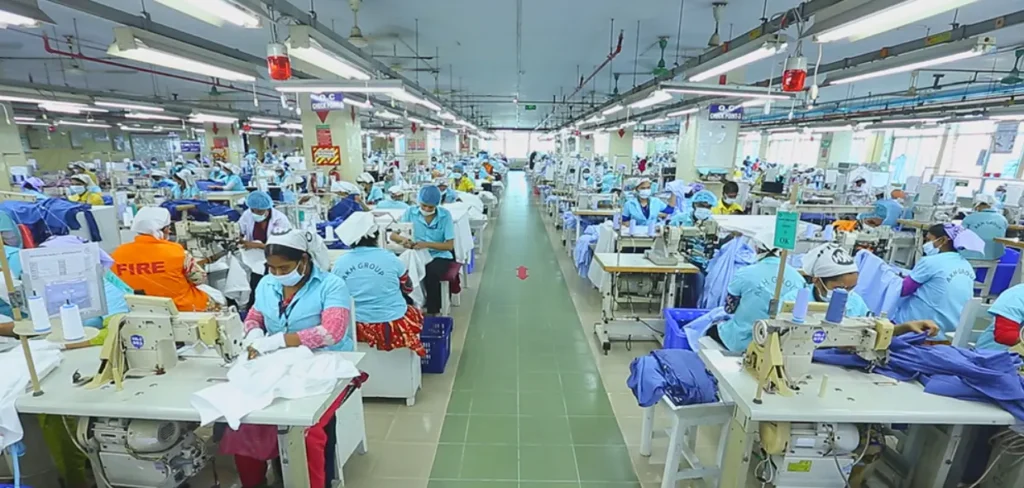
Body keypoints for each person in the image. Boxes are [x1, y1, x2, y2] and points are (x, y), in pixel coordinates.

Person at [234, 229, 353, 488]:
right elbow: (255, 314)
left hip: (325, 365)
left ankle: (315, 481)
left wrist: (278, 340)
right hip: (279, 364)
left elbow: (332, 333)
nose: (277, 274)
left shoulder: (331, 285)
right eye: (271, 268)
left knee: (307, 429)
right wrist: (254, 331)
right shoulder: (267, 284)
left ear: (304, 260)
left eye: (283, 268)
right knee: (245, 420)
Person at [332, 213, 425, 355]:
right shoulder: (391, 258)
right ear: (376, 234)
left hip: (356, 325)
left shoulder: (339, 264)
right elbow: (408, 288)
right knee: (412, 308)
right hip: (392, 323)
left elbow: (337, 296)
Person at [111, 206, 212, 311]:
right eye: (168, 227)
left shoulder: (117, 254)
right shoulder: (176, 251)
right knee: (217, 298)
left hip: (138, 311)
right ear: (164, 229)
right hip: (183, 309)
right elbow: (199, 279)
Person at [712, 244, 805, 352]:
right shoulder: (799, 279)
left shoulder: (744, 273)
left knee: (708, 327)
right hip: (780, 345)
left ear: (757, 249)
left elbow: (729, 309)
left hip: (742, 342)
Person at [892, 223, 981, 334]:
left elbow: (903, 290)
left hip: (925, 328)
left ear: (943, 240)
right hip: (952, 330)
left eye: (929, 240)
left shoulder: (930, 262)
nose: (926, 244)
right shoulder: (966, 264)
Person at [390, 186, 456, 315]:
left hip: (439, 254)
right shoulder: (410, 212)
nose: (426, 209)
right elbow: (394, 235)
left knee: (432, 272)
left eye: (430, 207)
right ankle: (410, 307)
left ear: (437, 204)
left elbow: (449, 245)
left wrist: (426, 244)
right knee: (401, 271)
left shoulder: (445, 216)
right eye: (424, 205)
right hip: (417, 253)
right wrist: (404, 240)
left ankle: (433, 310)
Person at [783, 243, 870, 317]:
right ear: (817, 281)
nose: (846, 294)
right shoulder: (793, 301)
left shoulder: (856, 303)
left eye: (851, 288)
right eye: (840, 288)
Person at [961, 193, 1008, 261]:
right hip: (995, 255)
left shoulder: (970, 218)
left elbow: (961, 236)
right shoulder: (1003, 219)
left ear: (978, 205)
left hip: (971, 255)